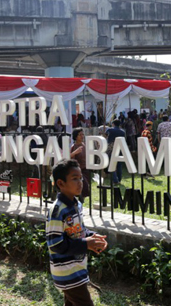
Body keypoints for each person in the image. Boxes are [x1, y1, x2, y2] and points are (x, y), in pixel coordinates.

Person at [46, 159, 107, 306]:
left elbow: (78, 231)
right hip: (66, 271)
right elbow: (56, 244)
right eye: (74, 178)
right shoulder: (57, 210)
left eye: (81, 178)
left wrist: (91, 236)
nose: (80, 182)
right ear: (60, 183)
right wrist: (86, 244)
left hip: (77, 268)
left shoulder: (76, 205)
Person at [70, 128, 90, 201]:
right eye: (80, 135)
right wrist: (75, 152)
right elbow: (70, 158)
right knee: (83, 185)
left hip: (86, 170)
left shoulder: (85, 145)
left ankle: (81, 200)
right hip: (79, 171)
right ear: (76, 136)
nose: (82, 136)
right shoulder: (73, 147)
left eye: (83, 134)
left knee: (86, 186)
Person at [106, 120, 126, 184]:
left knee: (112, 164)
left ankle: (115, 179)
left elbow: (105, 135)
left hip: (111, 148)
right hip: (119, 148)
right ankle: (119, 179)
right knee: (119, 165)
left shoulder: (110, 130)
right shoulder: (123, 132)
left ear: (113, 124)